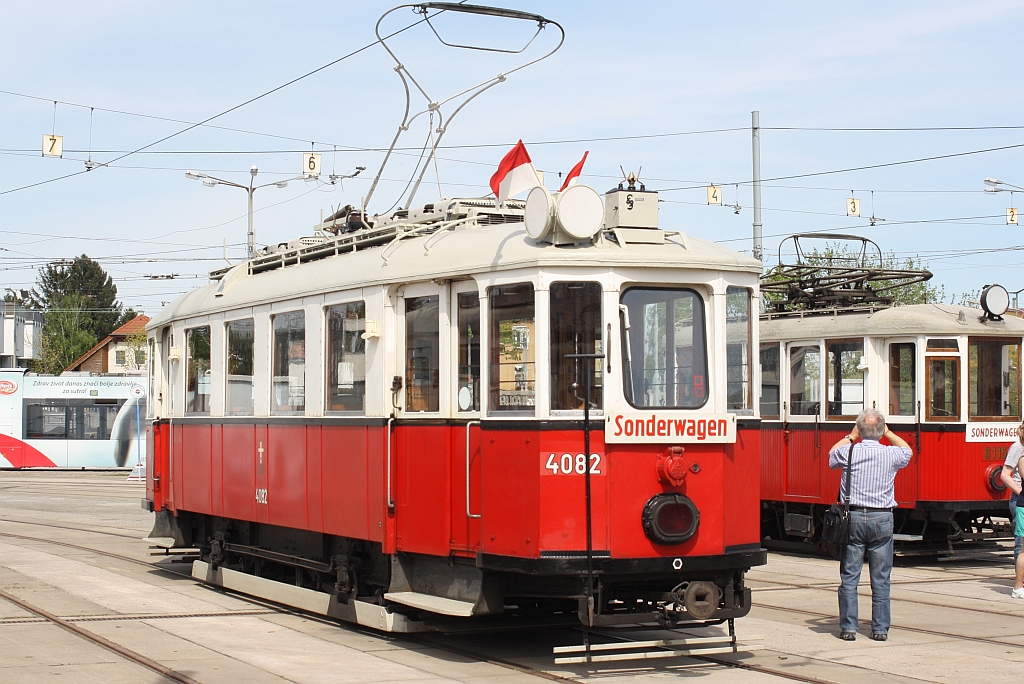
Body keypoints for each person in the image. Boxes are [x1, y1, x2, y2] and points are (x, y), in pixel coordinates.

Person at [829, 408, 913, 642]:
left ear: (859, 429)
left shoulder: (849, 451)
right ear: (881, 430)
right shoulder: (891, 454)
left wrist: (851, 436)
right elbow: (908, 451)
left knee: (849, 576)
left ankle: (848, 628)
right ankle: (879, 629)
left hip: (854, 518)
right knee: (881, 577)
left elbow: (831, 454)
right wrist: (887, 432)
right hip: (882, 518)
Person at [999, 422, 1024, 571]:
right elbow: (1005, 475)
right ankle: (1019, 581)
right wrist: (1020, 491)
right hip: (1019, 500)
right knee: (1021, 543)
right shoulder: (1018, 447)